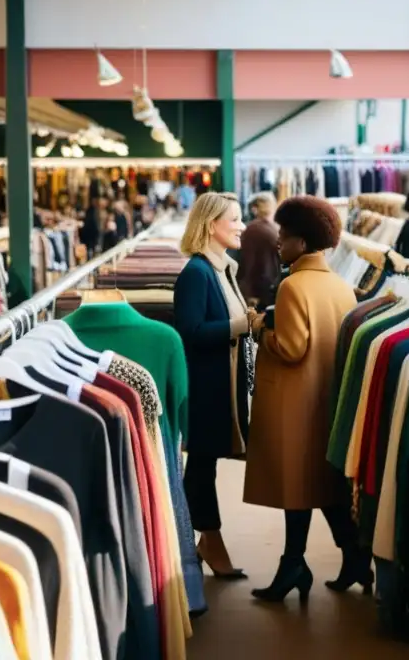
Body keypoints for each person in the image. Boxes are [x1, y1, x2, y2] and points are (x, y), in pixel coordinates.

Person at [243, 196, 363, 603]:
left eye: (285, 236)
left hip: (294, 404)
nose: (278, 242)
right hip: (326, 401)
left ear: (303, 241)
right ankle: (345, 557)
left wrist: (260, 327)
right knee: (318, 487)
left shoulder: (294, 285)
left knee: (298, 487)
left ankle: (296, 565)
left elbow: (292, 348)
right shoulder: (341, 286)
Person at [172, 191, 254, 579]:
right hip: (207, 387)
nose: (242, 226)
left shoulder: (220, 269)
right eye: (234, 219)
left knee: (205, 467)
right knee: (202, 467)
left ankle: (202, 541)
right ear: (210, 225)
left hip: (221, 383)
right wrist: (242, 325)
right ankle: (206, 542)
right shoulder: (196, 273)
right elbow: (190, 332)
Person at [238, 192, 281, 309]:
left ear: (254, 209)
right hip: (275, 285)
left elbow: (248, 264)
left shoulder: (252, 230)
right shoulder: (277, 228)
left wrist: (249, 293)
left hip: (260, 289)